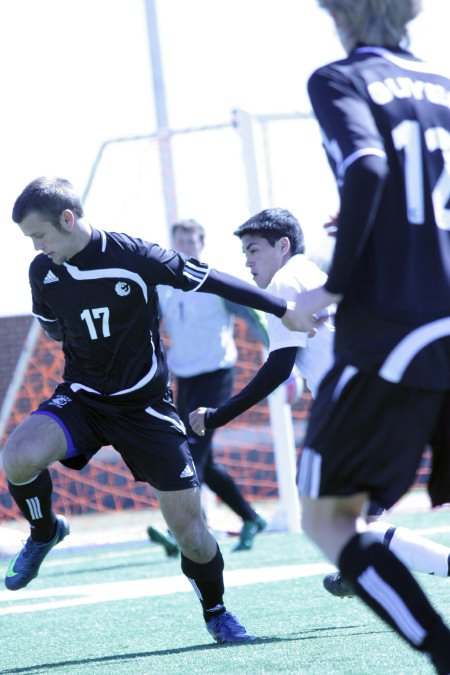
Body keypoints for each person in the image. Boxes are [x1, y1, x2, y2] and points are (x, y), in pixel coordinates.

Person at [2, 176, 300, 645]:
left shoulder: (135, 257)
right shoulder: (43, 271)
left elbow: (212, 281)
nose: (37, 247)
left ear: (68, 219)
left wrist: (283, 308)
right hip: (82, 397)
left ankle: (216, 611)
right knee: (17, 456)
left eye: (39, 235)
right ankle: (44, 530)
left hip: (146, 409)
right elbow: (54, 329)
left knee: (190, 532)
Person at [279, 1, 450, 671]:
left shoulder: (338, 79)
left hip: (396, 325)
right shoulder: (442, 84)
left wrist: (333, 285)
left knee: (328, 516)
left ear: (338, 16)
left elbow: (369, 167)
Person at [189, 207, 450, 596]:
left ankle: (368, 566)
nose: (247, 260)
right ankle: (357, 567)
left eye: (254, 249)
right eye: (244, 252)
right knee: (350, 519)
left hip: (358, 409)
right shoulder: (314, 274)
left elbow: (278, 368)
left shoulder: (283, 284)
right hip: (387, 399)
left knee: (328, 516)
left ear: (283, 245)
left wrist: (217, 415)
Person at [148, 219, 267, 557]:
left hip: (217, 376)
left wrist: (281, 360)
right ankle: (251, 518)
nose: (185, 245)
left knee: (189, 453)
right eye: (179, 240)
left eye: (191, 239)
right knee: (205, 461)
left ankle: (181, 531)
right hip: (185, 380)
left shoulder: (214, 281)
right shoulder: (164, 286)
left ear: (202, 244)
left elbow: (254, 316)